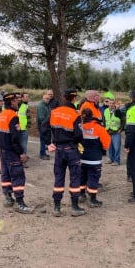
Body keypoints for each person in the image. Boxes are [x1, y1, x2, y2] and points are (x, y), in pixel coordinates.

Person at [41, 88, 86, 217]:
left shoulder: (54, 112)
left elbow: (44, 127)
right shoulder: (75, 114)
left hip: (59, 150)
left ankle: (56, 207)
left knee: (59, 178)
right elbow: (79, 135)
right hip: (71, 149)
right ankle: (75, 207)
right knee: (75, 178)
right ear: (74, 98)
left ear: (64, 98)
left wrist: (48, 142)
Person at [0, 93, 34, 214]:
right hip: (12, 152)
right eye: (16, 101)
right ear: (11, 102)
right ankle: (19, 203)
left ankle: (8, 199)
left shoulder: (1, 115)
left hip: (4, 150)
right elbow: (15, 138)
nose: (18, 102)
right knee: (18, 176)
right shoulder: (13, 116)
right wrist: (21, 153)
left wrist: (0, 144)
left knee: (6, 175)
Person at [79, 108, 111, 208]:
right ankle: (92, 199)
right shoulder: (98, 127)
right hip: (94, 159)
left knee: (82, 177)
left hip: (81, 158)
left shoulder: (79, 126)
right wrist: (103, 149)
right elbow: (106, 142)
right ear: (92, 115)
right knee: (93, 178)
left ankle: (81, 195)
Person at [103, 99, 123, 166]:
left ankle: (117, 161)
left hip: (116, 131)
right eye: (110, 103)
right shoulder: (105, 111)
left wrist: (121, 129)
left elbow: (123, 120)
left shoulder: (118, 111)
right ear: (108, 104)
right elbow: (104, 120)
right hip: (108, 131)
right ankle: (111, 159)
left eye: (113, 103)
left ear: (115, 104)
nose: (111, 104)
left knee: (116, 147)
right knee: (109, 147)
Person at [37, 94, 51, 160]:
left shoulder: (47, 105)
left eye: (49, 98)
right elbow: (41, 118)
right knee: (42, 140)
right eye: (46, 98)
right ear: (43, 98)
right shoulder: (41, 106)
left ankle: (44, 153)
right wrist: (47, 121)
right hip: (42, 126)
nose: (48, 100)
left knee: (44, 140)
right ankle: (42, 154)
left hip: (46, 126)